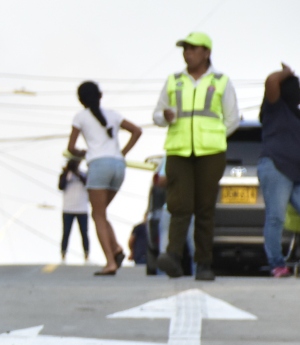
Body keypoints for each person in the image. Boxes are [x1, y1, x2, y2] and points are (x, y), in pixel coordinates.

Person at [152, 32, 240, 281]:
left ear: (206, 53)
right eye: (185, 49)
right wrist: (164, 117)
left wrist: (215, 138)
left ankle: (204, 264)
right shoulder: (174, 81)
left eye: (192, 49)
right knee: (179, 205)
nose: (187, 53)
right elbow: (157, 114)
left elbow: (232, 119)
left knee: (204, 208)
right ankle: (172, 257)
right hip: (179, 151)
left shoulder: (221, 81)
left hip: (210, 152)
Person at [68, 81, 142, 276]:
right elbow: (137, 131)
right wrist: (122, 152)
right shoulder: (114, 115)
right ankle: (116, 248)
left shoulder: (80, 117)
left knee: (98, 215)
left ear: (81, 99)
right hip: (118, 166)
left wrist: (82, 153)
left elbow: (71, 147)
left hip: (99, 166)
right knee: (100, 212)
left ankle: (110, 261)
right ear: (100, 95)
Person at [259, 63, 300, 278]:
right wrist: (287, 73)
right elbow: (271, 82)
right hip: (276, 167)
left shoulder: (296, 113)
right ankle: (277, 264)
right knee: (276, 218)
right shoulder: (275, 106)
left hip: (296, 172)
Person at [58, 158, 90, 262]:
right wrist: (68, 172)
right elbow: (61, 186)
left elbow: (87, 183)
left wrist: (77, 173)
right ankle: (63, 253)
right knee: (66, 232)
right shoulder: (65, 175)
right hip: (68, 208)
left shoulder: (83, 174)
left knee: (84, 233)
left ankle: (86, 254)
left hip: (82, 209)